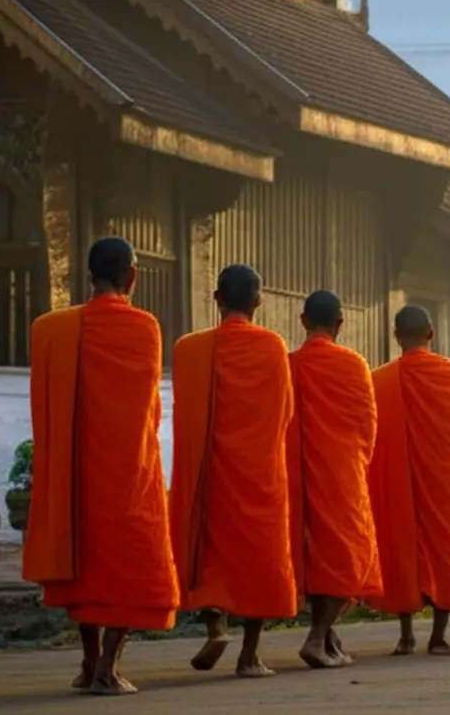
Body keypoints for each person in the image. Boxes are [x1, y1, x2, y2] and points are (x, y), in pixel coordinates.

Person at [25, 236, 179, 695]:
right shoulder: (144, 327)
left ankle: (90, 660)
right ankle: (108, 666)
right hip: (127, 468)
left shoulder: (53, 329)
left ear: (89, 276)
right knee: (129, 562)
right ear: (131, 276)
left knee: (85, 560)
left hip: (76, 471)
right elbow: (148, 408)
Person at [170, 264, 296, 678]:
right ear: (258, 302)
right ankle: (250, 655)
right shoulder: (272, 347)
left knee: (212, 552)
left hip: (211, 471)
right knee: (258, 555)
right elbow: (284, 411)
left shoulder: (190, 349)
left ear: (217, 300)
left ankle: (215, 626)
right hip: (258, 470)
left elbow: (186, 413)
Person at [367, 306, 450, 656]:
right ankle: (438, 636)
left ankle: (406, 635)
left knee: (402, 543)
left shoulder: (380, 379)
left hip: (398, 475)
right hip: (443, 477)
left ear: (396, 337)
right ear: (431, 334)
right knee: (444, 545)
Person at [285, 291, 380, 668]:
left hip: (296, 472)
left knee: (311, 556)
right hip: (341, 472)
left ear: (303, 321)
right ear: (340, 324)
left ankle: (328, 637)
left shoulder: (288, 364)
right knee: (349, 557)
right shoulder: (353, 365)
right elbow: (367, 425)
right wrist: (357, 461)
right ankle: (315, 638)